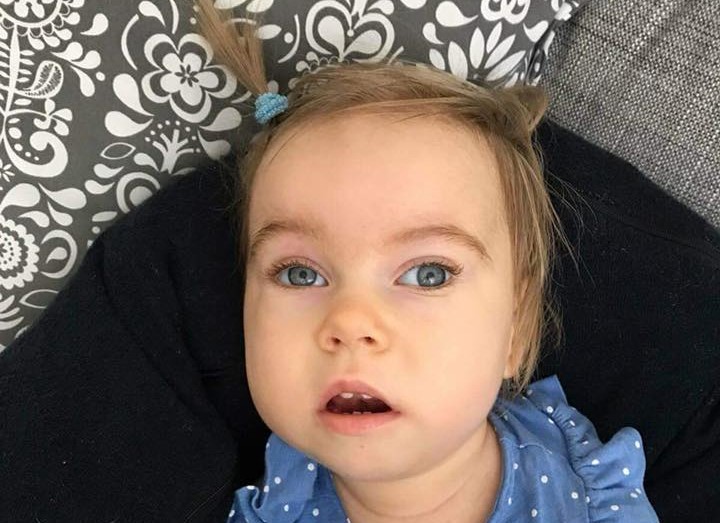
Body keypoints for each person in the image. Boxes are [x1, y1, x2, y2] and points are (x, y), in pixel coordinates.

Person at [195, 2, 660, 522]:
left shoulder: (588, 491)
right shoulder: (270, 508)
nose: (350, 322)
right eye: (300, 273)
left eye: (428, 274)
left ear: (517, 328)